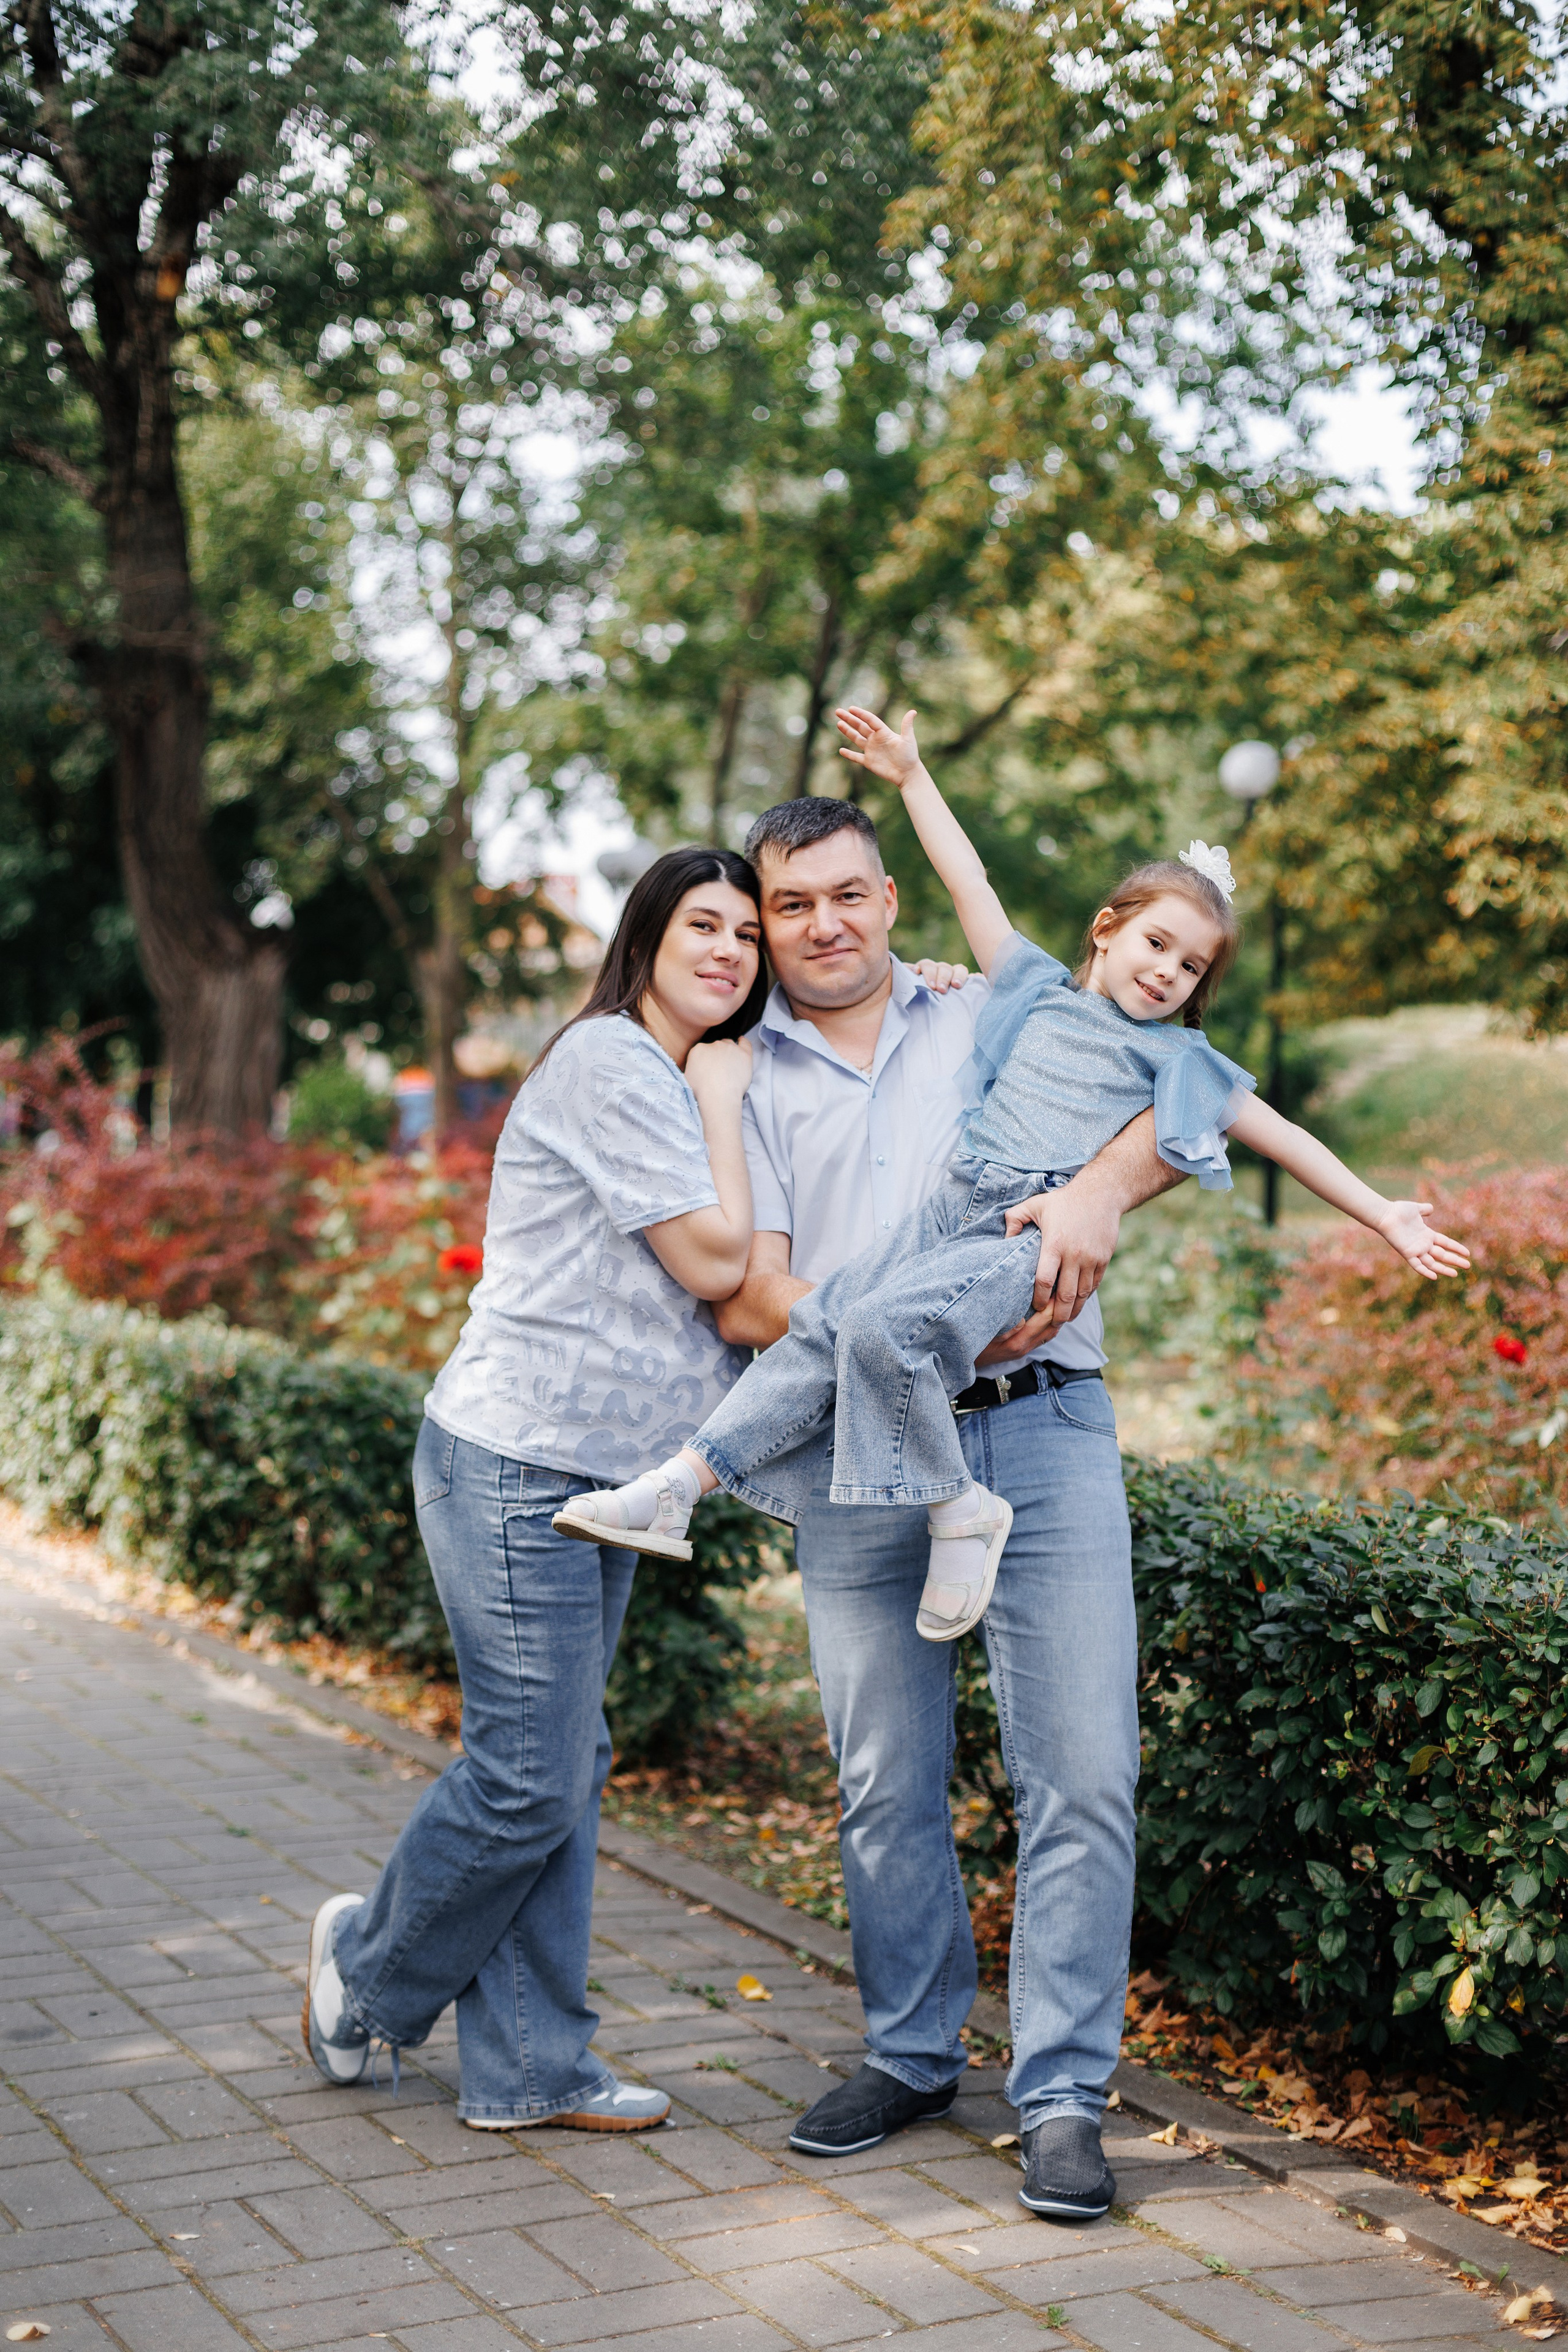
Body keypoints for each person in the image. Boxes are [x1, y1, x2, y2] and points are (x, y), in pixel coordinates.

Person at [567, 785, 1181, 2222]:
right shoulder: (737, 1077)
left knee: (1080, 1772)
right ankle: (910, 2054)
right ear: (765, 923)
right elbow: (748, 1298)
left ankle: (1058, 2095)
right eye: (790, 905)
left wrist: (1096, 1194)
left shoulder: (991, 1012)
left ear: (889, 898)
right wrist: (909, 1317)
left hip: (1042, 1432)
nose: (821, 924)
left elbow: (1177, 1098)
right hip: (854, 1443)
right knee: (882, 1785)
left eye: (847, 894)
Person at [559, 710, 1468, 1653]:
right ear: (1106, 930)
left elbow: (1282, 1135)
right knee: (823, 1324)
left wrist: (1382, 1214)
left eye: (1192, 965)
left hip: (1025, 1226)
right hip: (958, 1197)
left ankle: (958, 1507)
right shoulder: (1026, 986)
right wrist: (911, 775)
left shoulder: (1181, 1061)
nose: (1168, 972)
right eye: (1156, 944)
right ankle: (678, 1487)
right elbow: (969, 879)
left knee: (878, 1326)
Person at [299, 846, 766, 2130]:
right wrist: (725, 1098)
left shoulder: (671, 1071)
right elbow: (718, 1258)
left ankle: (524, 2069)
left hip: (593, 1473)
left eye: (746, 935)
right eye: (702, 926)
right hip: (516, 1460)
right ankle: (362, 1976)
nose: (729, 950)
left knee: (558, 1761)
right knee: (525, 1775)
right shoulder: (619, 1062)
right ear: (647, 937)